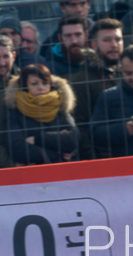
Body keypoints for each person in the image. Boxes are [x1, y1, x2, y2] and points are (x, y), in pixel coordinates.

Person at [69, 18, 123, 160]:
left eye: (118, 39)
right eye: (107, 40)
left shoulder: (129, 74)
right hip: (102, 159)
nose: (114, 44)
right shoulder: (82, 80)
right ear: (94, 44)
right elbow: (80, 127)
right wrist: (93, 161)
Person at [5, 64, 79, 166]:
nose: (40, 88)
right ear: (24, 86)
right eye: (34, 84)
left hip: (62, 170)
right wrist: (56, 152)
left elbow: (73, 139)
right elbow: (17, 149)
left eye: (45, 83)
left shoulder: (59, 106)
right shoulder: (15, 111)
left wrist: (37, 139)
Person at [0, 35, 18, 168]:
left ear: (14, 56)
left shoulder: (29, 82)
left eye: (6, 56)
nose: (1, 63)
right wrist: (11, 165)